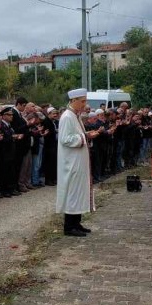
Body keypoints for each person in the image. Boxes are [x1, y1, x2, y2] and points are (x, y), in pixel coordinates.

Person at [56, 89, 96, 237]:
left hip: (78, 160)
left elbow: (77, 135)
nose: (84, 104)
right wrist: (84, 138)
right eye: (82, 101)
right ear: (73, 100)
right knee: (73, 192)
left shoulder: (76, 116)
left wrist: (86, 135)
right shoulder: (67, 117)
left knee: (79, 191)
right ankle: (69, 226)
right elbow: (66, 139)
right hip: (71, 162)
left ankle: (76, 223)